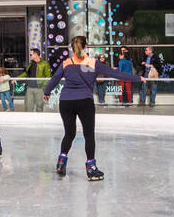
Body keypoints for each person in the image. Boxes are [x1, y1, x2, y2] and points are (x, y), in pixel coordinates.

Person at [43, 36, 142, 181]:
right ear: (86, 47)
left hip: (66, 102)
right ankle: (91, 168)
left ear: (72, 48)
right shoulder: (93, 63)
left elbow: (55, 79)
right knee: (88, 135)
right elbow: (116, 74)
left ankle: (61, 162)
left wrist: (46, 92)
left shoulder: (66, 63)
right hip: (85, 101)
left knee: (69, 133)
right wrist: (139, 79)